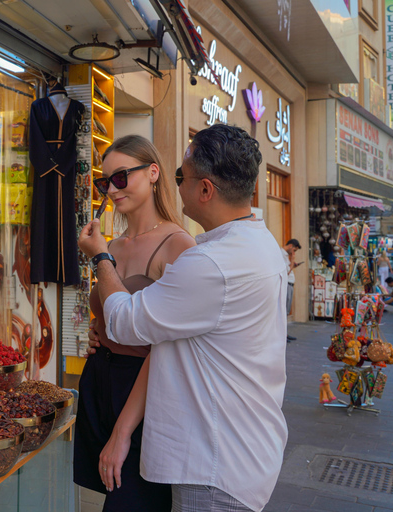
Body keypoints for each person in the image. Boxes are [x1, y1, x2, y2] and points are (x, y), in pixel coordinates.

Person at [79, 124, 288, 512]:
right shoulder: (255, 246)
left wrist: (100, 257)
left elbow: (127, 321)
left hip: (215, 454)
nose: (110, 189)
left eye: (181, 177)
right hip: (226, 439)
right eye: (103, 182)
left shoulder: (207, 262)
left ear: (205, 189)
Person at [73, 135, 195, 510]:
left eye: (121, 177)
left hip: (142, 390)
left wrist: (123, 430)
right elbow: (109, 313)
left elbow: (169, 347)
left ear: (153, 172)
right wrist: (97, 332)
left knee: (133, 500)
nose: (112, 189)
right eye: (104, 181)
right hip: (100, 381)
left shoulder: (178, 244)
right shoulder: (112, 245)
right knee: (107, 496)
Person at [282, 239, 301, 342]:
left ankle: (284, 333)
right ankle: (282, 335)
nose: (294, 253)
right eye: (294, 250)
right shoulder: (281, 254)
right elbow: (286, 272)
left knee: (286, 310)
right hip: (286, 284)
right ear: (290, 246)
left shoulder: (285, 256)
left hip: (289, 284)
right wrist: (292, 262)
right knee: (284, 310)